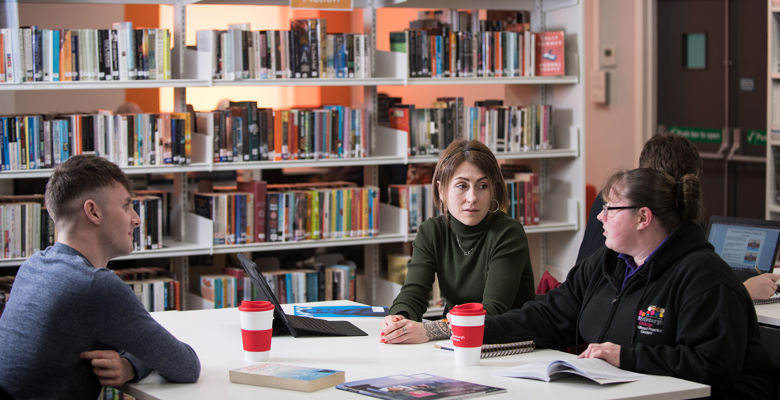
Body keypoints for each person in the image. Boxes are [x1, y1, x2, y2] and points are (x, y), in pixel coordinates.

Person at [484, 168, 773, 398]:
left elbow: (711, 367)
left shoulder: (704, 278)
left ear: (643, 218)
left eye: (610, 208)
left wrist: (626, 356)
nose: (600, 217)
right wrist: (474, 330)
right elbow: (551, 316)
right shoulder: (606, 262)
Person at [0, 155, 201, 399]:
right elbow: (186, 366)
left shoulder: (33, 266)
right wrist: (135, 362)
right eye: (126, 206)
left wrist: (128, 365)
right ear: (93, 211)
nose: (136, 219)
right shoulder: (93, 285)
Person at [576, 132, 780, 300]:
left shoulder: (612, 203)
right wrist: (742, 292)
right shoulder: (662, 221)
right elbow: (660, 301)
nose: (604, 216)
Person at [380, 139, 535, 344]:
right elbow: (413, 293)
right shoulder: (432, 231)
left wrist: (431, 330)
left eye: (482, 186)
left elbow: (493, 311)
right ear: (442, 190)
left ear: (493, 191)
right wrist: (398, 319)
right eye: (462, 185)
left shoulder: (508, 233)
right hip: (455, 341)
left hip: (507, 344)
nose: (472, 197)